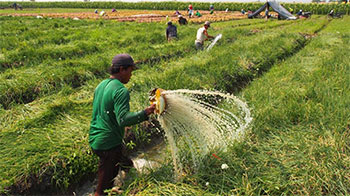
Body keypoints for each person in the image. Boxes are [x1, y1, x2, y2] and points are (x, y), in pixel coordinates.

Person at [89, 54, 156, 196]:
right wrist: (146, 112)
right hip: (108, 144)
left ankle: (128, 181)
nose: (131, 75)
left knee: (126, 164)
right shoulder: (120, 90)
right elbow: (123, 119)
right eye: (130, 71)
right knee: (102, 191)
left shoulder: (101, 85)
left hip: (96, 137)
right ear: (121, 69)